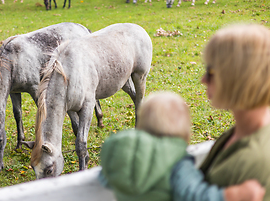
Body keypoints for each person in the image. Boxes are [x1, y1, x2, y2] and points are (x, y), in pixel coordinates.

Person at [99, 91, 265, 201]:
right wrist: (232, 195)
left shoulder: (116, 153)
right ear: (184, 132)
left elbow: (105, 179)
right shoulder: (176, 162)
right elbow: (195, 195)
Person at [172, 23, 270, 200]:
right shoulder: (245, 130)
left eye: (210, 71)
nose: (203, 80)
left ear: (238, 76)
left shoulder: (255, 160)